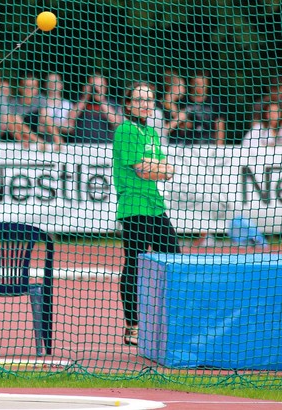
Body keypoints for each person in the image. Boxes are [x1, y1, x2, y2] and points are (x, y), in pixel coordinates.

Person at [112, 82, 181, 346]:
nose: (145, 104)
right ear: (128, 104)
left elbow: (166, 170)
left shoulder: (151, 131)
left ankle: (172, 321)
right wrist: (160, 167)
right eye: (139, 100)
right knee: (135, 265)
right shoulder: (125, 130)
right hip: (134, 208)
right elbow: (144, 169)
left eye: (149, 100)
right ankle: (132, 327)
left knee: (174, 260)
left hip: (156, 206)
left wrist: (160, 167)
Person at [169, 70, 226, 145]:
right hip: (186, 144)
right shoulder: (183, 101)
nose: (200, 87)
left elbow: (219, 126)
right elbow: (178, 122)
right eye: (197, 84)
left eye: (203, 84)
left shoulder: (215, 101)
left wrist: (218, 147)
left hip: (208, 144)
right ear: (191, 84)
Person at [12, 74, 64, 151]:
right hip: (16, 142)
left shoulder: (40, 100)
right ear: (20, 88)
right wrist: (38, 141)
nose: (29, 89)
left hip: (35, 141)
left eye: (33, 86)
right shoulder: (13, 103)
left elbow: (47, 119)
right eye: (26, 86)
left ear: (37, 89)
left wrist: (57, 139)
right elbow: (16, 123)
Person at [72, 72, 124, 143]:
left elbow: (116, 122)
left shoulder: (111, 103)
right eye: (93, 86)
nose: (96, 89)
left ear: (105, 88)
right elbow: (70, 118)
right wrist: (85, 98)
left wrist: (101, 101)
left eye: (100, 86)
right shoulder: (80, 102)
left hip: (103, 146)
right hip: (80, 144)